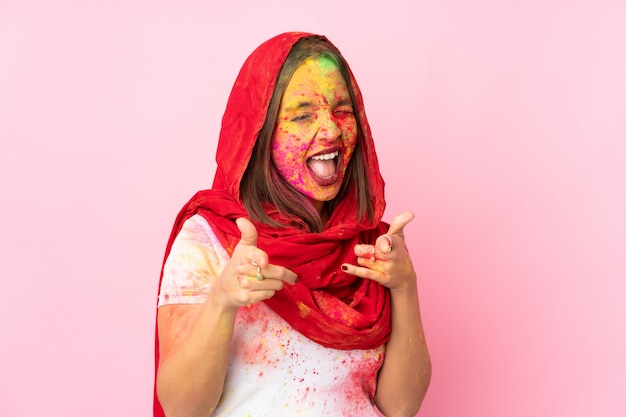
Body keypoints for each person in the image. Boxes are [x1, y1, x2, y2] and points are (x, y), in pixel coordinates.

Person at [153, 32, 431, 417]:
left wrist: (405, 286)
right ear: (257, 134)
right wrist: (223, 300)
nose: (331, 130)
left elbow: (400, 407)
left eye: (342, 109)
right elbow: (182, 408)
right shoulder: (211, 240)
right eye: (302, 115)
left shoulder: (376, 246)